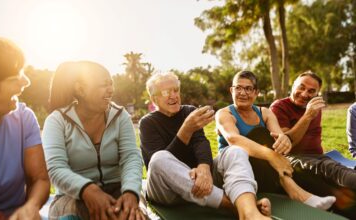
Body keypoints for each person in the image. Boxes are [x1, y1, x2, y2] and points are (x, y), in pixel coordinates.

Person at [140, 72, 272, 220]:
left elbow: (200, 142)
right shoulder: (147, 123)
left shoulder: (189, 111)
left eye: (175, 90)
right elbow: (160, 167)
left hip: (201, 183)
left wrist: (204, 166)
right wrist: (185, 130)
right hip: (167, 192)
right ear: (154, 98)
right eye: (165, 92)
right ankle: (235, 207)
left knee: (234, 151)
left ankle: (249, 212)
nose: (173, 96)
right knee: (159, 158)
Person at [216, 70, 335, 211]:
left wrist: (283, 140)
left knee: (273, 141)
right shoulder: (224, 113)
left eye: (248, 89)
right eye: (238, 88)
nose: (243, 93)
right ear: (231, 90)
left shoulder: (264, 113)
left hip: (260, 173)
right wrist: (272, 155)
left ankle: (326, 198)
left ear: (256, 92)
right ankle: (296, 193)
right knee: (260, 134)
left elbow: (280, 141)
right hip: (231, 173)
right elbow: (233, 139)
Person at [42, 61, 145, 220]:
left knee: (132, 215)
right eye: (104, 85)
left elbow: (131, 156)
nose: (110, 90)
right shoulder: (56, 121)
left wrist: (131, 192)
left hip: (120, 189)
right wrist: (88, 190)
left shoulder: (120, 116)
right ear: (80, 89)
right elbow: (55, 168)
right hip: (73, 196)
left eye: (111, 84)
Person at [0, 34, 50, 219]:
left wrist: (31, 206)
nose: (26, 81)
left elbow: (39, 179)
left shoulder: (24, 118)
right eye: (16, 75)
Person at [270, 71, 356, 218]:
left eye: (311, 91)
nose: (304, 94)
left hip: (319, 158)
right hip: (291, 159)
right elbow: (286, 146)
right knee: (330, 169)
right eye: (301, 87)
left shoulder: (314, 107)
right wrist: (308, 115)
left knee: (340, 182)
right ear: (293, 86)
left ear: (317, 94)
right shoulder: (279, 107)